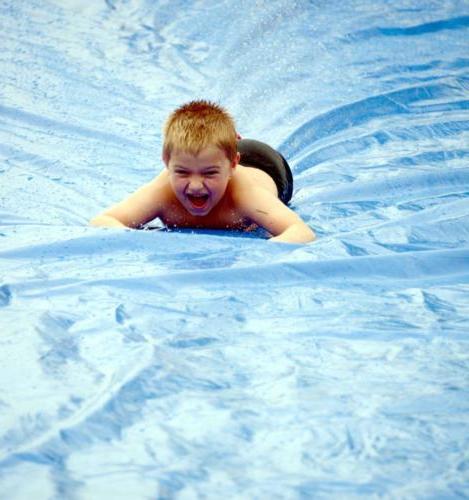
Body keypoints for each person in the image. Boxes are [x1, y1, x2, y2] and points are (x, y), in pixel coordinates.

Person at [89, 100, 315, 243]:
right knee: (208, 154)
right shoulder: (162, 191)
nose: (195, 185)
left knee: (215, 155)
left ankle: (230, 143)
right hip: (221, 156)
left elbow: (300, 231)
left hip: (265, 163)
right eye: (183, 172)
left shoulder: (246, 194)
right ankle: (222, 147)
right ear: (166, 162)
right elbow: (104, 220)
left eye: (209, 174)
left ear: (232, 166)